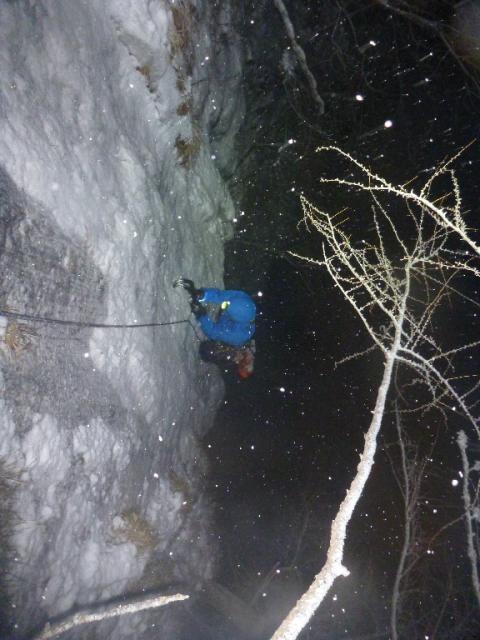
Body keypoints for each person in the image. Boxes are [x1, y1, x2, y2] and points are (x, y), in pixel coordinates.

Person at [174, 277, 256, 378]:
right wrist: (201, 294)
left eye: (227, 305)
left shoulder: (236, 336)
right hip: (236, 325)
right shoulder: (245, 300)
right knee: (225, 303)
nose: (225, 304)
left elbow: (212, 332)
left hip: (231, 337)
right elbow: (221, 296)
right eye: (227, 304)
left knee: (208, 351)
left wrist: (200, 314)